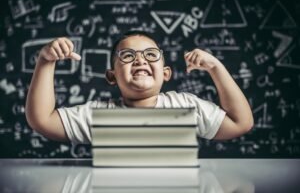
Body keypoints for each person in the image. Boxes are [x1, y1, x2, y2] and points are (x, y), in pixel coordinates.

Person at [25, 30, 253, 144]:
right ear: (111, 76)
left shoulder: (186, 106)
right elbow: (42, 120)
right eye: (127, 55)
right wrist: (46, 61)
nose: (140, 60)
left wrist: (215, 67)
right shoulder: (98, 115)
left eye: (151, 55)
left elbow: (241, 123)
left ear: (165, 74)